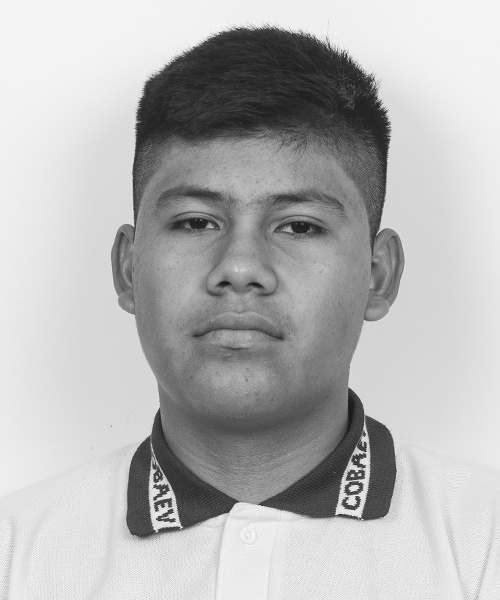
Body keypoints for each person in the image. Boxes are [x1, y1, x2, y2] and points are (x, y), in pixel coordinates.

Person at [1, 25, 499, 600]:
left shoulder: (482, 544)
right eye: (195, 222)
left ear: (378, 275)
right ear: (128, 268)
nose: (239, 267)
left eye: (299, 226)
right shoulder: (17, 556)